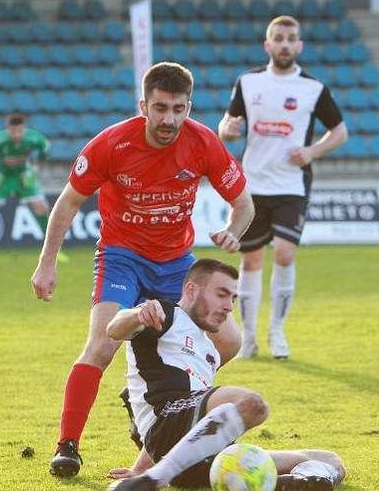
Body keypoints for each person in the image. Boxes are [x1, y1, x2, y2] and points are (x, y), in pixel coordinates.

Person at [30, 62, 255, 478]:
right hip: (122, 257)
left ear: (189, 107)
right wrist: (46, 264)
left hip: (176, 265)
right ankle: (68, 445)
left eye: (179, 109)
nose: (169, 118)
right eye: (160, 108)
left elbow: (244, 204)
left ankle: (151, 394)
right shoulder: (112, 144)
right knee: (102, 345)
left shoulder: (203, 142)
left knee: (230, 342)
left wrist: (232, 231)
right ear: (144, 106)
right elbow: (67, 203)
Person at [106, 259, 346, 491]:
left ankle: (298, 483)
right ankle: (154, 480)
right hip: (168, 423)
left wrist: (139, 469)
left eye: (233, 298)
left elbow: (196, 421)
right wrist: (137, 314)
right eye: (221, 294)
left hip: (201, 455)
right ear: (191, 290)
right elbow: (114, 328)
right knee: (251, 404)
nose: (229, 306)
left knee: (328, 459)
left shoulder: (209, 350)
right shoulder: (166, 315)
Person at [218, 15, 349, 359]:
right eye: (279, 38)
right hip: (253, 183)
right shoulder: (248, 83)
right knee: (251, 261)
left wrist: (312, 151)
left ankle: (277, 332)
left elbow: (339, 132)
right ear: (268, 45)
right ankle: (248, 337)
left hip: (292, 184)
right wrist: (226, 131)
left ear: (299, 45)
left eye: (291, 38)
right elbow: (228, 124)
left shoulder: (313, 89)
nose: (285, 44)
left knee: (286, 253)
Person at [0, 113, 64, 264]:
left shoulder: (32, 138)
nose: (16, 135)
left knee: (41, 207)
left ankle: (53, 251)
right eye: (13, 131)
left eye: (19, 131)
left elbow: (45, 146)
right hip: (2, 174)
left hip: (22, 173)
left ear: (24, 129)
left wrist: (36, 165)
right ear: (8, 129)